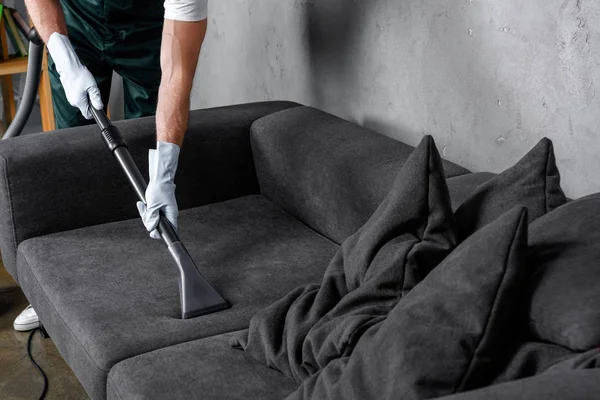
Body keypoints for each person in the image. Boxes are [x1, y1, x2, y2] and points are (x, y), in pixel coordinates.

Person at [13, 0, 208, 331]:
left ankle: (154, 283)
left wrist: (165, 171)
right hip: (75, 22)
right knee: (71, 152)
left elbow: (177, 72)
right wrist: (62, 54)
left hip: (146, 31)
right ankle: (58, 290)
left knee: (150, 149)